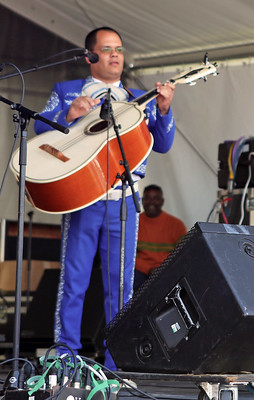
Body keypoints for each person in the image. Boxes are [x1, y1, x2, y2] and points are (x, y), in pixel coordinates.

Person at [33, 27, 176, 370]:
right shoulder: (67, 91)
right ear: (90, 57)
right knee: (75, 278)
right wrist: (69, 115)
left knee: (120, 285)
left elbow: (163, 143)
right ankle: (65, 354)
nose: (115, 55)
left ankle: (115, 360)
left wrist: (166, 109)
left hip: (123, 198)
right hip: (81, 196)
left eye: (119, 49)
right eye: (107, 49)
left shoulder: (137, 96)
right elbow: (41, 129)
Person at [133, 184, 187, 290]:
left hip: (168, 271)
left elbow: (183, 255)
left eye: (156, 199)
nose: (151, 202)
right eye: (148, 198)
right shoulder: (134, 223)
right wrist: (148, 269)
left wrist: (162, 270)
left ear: (162, 201)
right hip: (141, 272)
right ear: (142, 200)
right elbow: (129, 256)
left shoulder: (176, 225)